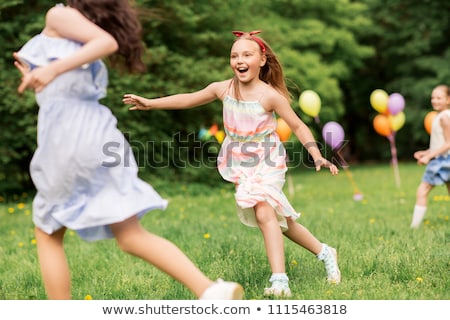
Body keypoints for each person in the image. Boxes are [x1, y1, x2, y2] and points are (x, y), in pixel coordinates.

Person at [13, 1, 243, 300]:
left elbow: (106, 43)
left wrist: (51, 69)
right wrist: (37, 76)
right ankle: (210, 290)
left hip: (68, 135)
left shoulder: (59, 14)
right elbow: (66, 81)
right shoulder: (79, 36)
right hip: (98, 132)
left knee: (48, 231)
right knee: (130, 236)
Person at [123, 30, 341, 297]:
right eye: (234, 55)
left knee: (263, 212)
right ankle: (324, 251)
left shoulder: (269, 96)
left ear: (262, 60)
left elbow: (297, 125)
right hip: (241, 162)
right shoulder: (223, 89)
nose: (239, 60)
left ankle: (280, 281)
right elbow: (188, 98)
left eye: (247, 54)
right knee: (279, 220)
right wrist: (150, 104)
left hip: (268, 159)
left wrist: (316, 155)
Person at [411, 85, 450, 228]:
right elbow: (440, 144)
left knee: (423, 189)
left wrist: (429, 157)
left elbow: (448, 143)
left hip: (443, 160)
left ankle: (414, 226)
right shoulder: (444, 116)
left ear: (448, 99)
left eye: (439, 98)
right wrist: (426, 152)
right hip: (445, 158)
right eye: (433, 97)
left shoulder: (444, 118)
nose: (435, 100)